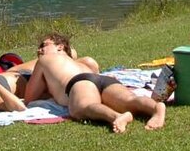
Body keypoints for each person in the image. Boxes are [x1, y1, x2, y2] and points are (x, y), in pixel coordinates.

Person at [24, 53, 165, 133]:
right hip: (104, 79)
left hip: (80, 82)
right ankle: (156, 108)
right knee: (129, 100)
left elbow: (29, 97)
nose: (40, 49)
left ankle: (117, 116)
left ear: (60, 47)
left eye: (44, 44)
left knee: (83, 107)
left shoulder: (45, 59)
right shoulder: (82, 62)